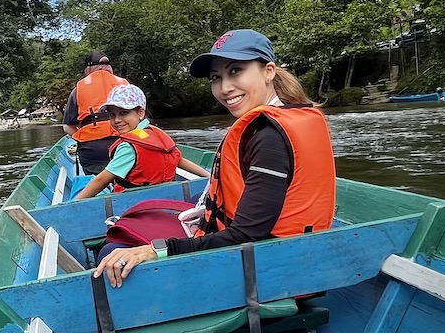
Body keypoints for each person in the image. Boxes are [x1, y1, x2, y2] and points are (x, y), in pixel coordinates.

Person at [94, 29, 336, 288]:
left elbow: (246, 235)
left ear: (268, 71)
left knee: (112, 251)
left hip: (270, 272)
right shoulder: (283, 119)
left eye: (235, 71)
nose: (224, 88)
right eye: (215, 78)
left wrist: (156, 250)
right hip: (275, 257)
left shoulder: (269, 138)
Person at [74, 84, 210, 200]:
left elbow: (101, 179)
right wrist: (209, 177)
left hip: (133, 203)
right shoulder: (155, 133)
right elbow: (181, 161)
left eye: (123, 113)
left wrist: (73, 204)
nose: (116, 120)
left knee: (83, 183)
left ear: (140, 112)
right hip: (167, 198)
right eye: (112, 115)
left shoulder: (128, 147)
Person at [62, 51, 129, 174]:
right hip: (124, 146)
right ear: (110, 68)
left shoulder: (79, 89)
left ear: (88, 70)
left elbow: (68, 128)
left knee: (97, 182)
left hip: (92, 151)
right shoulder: (125, 85)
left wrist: (83, 137)